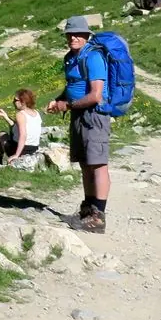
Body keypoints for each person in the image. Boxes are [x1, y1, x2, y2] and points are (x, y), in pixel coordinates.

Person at [48, 16, 111, 233]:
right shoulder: (70, 58)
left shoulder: (93, 57)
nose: (73, 37)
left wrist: (69, 105)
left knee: (98, 164)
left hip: (94, 115)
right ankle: (87, 211)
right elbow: (72, 86)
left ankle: (98, 218)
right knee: (85, 163)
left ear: (86, 35)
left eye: (77, 34)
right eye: (69, 34)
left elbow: (95, 95)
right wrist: (58, 100)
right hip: (77, 115)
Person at [0, 89, 44, 168]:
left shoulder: (20, 114)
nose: (13, 102)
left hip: (21, 150)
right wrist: (5, 116)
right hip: (34, 149)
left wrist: (16, 155)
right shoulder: (36, 113)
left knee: (2, 134)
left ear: (23, 101)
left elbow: (23, 135)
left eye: (15, 100)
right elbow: (16, 127)